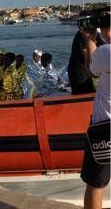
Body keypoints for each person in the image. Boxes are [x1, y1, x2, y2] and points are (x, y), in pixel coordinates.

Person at [80, 11, 110, 209]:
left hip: (105, 126)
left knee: (96, 184)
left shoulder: (105, 51)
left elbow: (91, 70)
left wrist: (91, 39)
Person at [68, 30, 95, 95]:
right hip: (79, 71)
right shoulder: (85, 32)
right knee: (84, 95)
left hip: (85, 70)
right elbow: (87, 54)